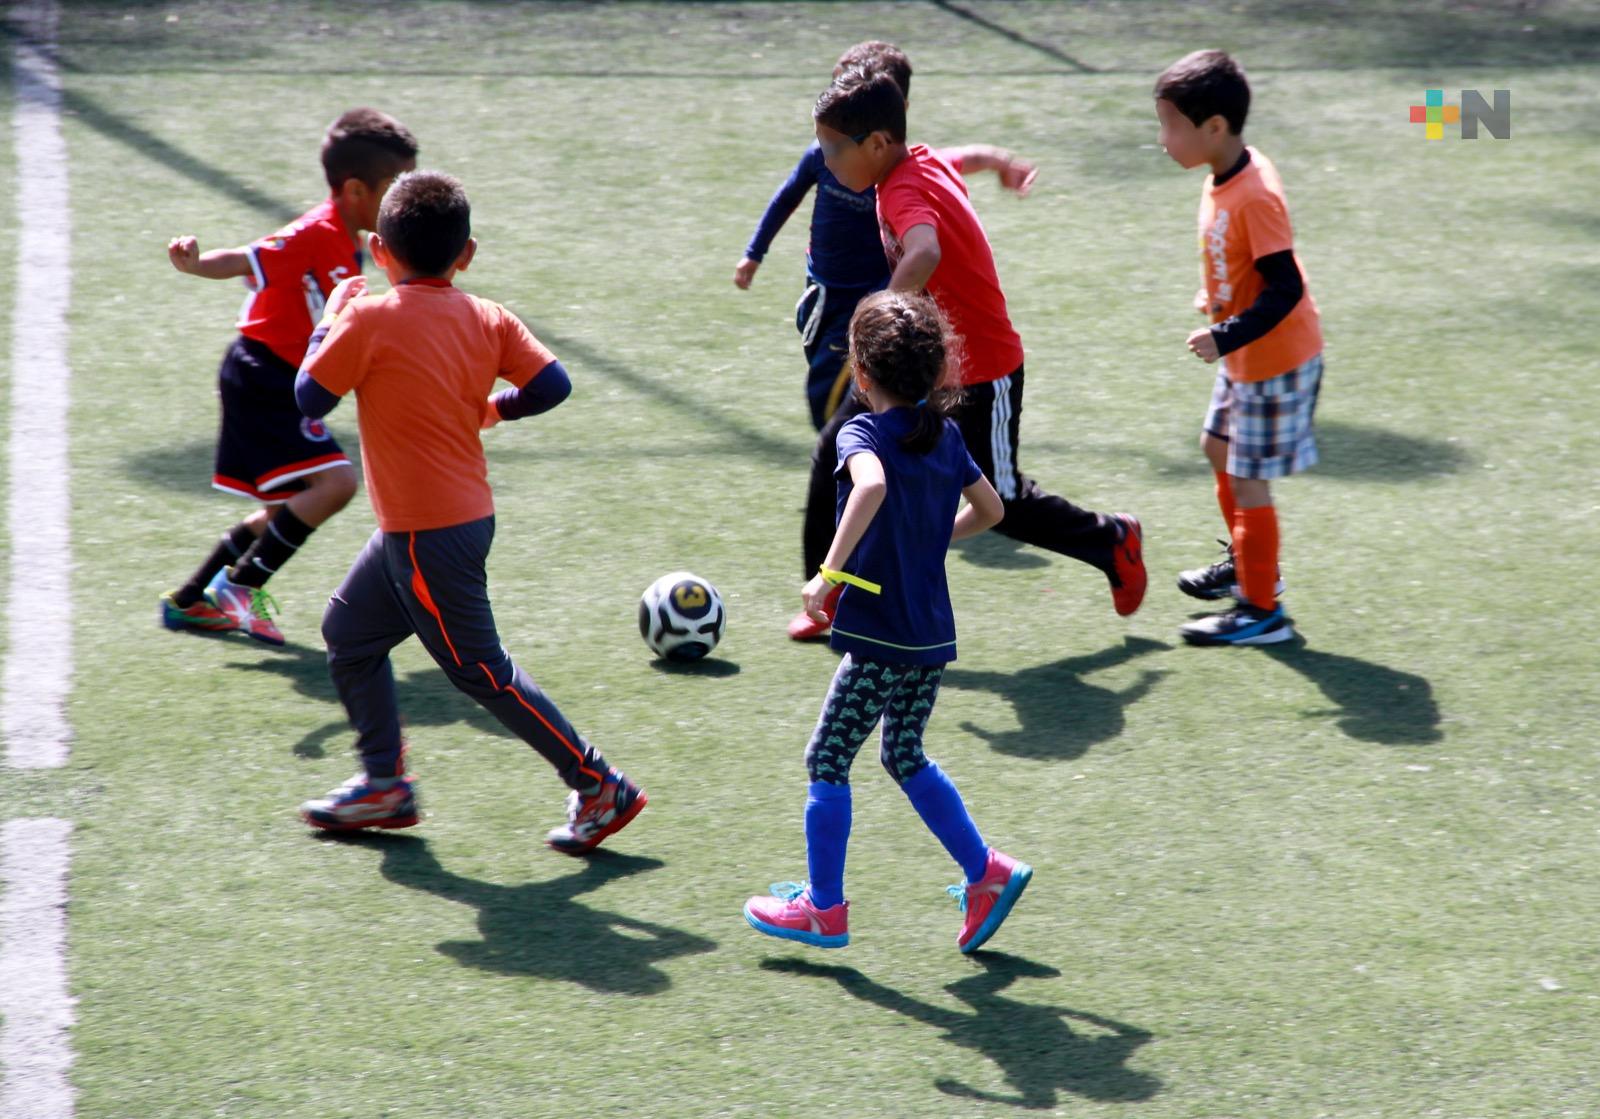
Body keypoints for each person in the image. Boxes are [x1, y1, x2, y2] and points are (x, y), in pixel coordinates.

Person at [290, 170, 646, 850]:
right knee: (350, 633)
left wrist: (327, 321)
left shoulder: (365, 318)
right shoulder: (488, 316)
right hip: (445, 524)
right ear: (467, 253)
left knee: (480, 670)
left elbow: (309, 398)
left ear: (379, 251)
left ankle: (599, 783)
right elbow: (553, 384)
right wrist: (495, 408)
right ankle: (383, 783)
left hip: (426, 536)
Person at [790, 66, 1145, 641]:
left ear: (876, 143)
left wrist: (877, 314)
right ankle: (826, 596)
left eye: (832, 149)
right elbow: (965, 158)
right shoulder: (920, 160)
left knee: (1003, 502)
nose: (825, 162)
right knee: (835, 448)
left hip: (982, 370)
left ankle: (1112, 539)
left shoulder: (900, 189)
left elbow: (925, 251)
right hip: (916, 364)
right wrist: (1001, 161)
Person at [744, 290, 1030, 954]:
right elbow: (991, 511)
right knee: (903, 752)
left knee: (827, 758)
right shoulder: (945, 435)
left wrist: (828, 573)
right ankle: (986, 872)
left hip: (881, 635)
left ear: (862, 372)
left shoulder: (861, 433)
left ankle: (823, 908)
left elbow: (870, 486)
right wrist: (930, 536)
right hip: (930, 632)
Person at [160, 108, 417, 645]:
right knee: (336, 484)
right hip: (265, 378)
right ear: (355, 189)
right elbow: (246, 259)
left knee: (282, 510)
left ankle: (189, 601)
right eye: (395, 187)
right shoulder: (314, 232)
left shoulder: (351, 239)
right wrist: (196, 264)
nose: (403, 200)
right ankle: (242, 586)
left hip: (275, 376)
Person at [1154, 50, 1323, 645]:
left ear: (1215, 127)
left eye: (1172, 125)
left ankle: (1261, 611)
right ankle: (1250, 565)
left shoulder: (1254, 194)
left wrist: (1224, 333)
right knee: (1217, 447)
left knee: (1249, 480)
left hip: (1275, 360)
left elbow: (1285, 287)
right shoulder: (1221, 175)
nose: (1163, 139)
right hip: (1247, 356)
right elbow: (1242, 260)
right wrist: (1218, 294)